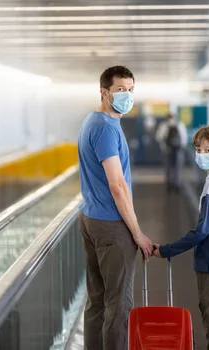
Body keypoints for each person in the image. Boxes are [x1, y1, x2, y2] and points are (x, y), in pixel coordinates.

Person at [77, 65, 154, 350]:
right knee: (118, 306)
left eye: (131, 90)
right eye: (121, 89)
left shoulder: (92, 121)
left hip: (89, 217)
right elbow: (117, 186)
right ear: (104, 92)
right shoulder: (106, 130)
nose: (127, 95)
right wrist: (137, 233)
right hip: (110, 225)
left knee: (97, 301)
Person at [152, 125, 209, 350]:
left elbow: (202, 231)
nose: (201, 155)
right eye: (198, 150)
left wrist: (166, 250)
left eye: (207, 150)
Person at [155, 114, 188, 191]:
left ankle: (169, 185)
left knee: (168, 168)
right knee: (178, 167)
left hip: (167, 149)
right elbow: (184, 138)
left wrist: (163, 145)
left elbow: (158, 137)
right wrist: (182, 146)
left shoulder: (164, 125)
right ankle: (177, 184)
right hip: (178, 149)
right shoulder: (180, 125)